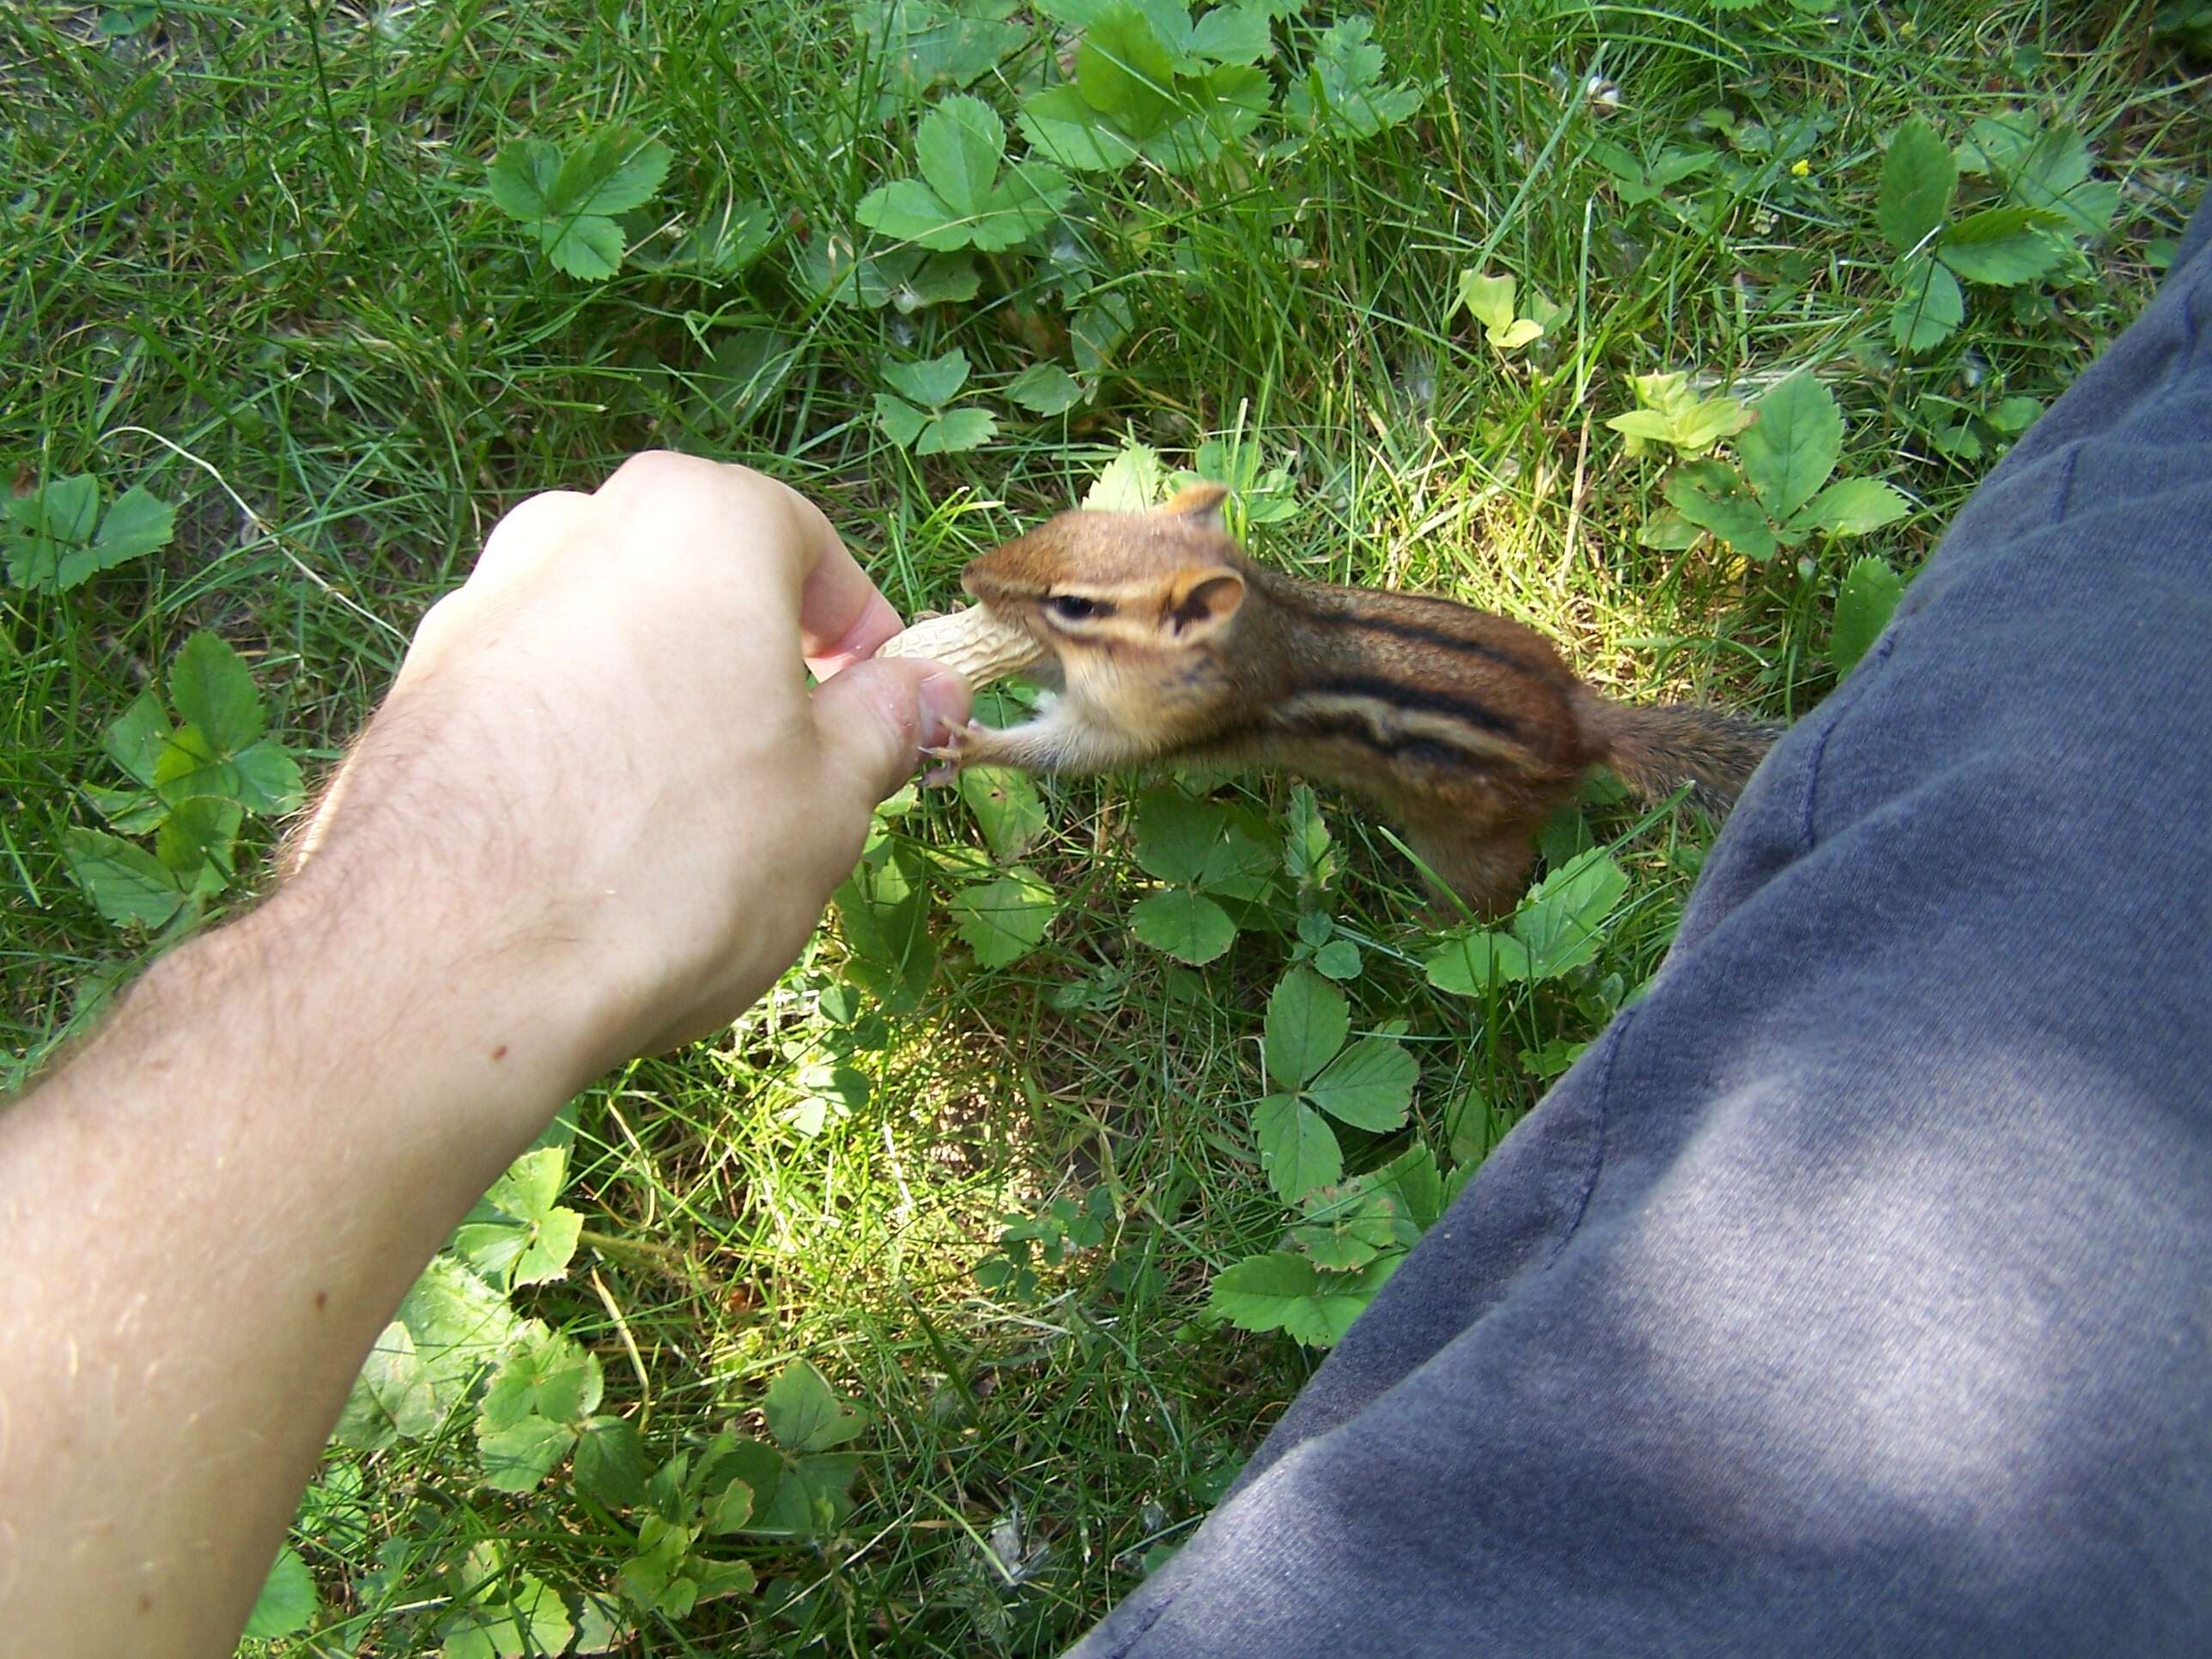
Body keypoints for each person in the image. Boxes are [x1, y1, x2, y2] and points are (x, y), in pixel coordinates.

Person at [5, 210, 2209, 1654]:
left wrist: (971, 741)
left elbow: (1116, 749)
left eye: (1069, 609)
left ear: (1190, 604)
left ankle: (1543, 902)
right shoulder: (1189, 607)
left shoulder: (1210, 685)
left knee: (1479, 867)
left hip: (1461, 769)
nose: (1030, 614)